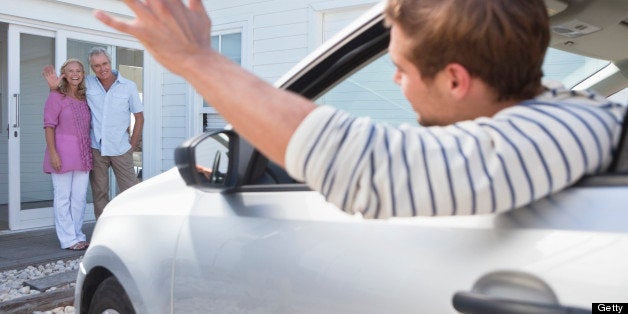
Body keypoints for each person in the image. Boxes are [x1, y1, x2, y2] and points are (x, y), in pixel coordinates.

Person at [95, 0, 625, 218]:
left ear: (456, 79)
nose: (394, 82)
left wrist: (196, 59)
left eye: (400, 68)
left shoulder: (562, 131)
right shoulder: (564, 110)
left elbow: (370, 168)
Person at [43, 48, 144, 219]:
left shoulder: (128, 86)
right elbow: (67, 95)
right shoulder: (87, 83)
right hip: (96, 149)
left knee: (131, 191)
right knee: (99, 194)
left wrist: (132, 146)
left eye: (104, 64)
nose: (102, 69)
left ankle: (132, 229)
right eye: (96, 66)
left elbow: (139, 118)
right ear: (91, 68)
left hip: (121, 148)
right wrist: (54, 88)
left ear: (110, 63)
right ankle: (104, 232)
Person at [43, 59, 91, 250]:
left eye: (78, 70)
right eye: (70, 70)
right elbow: (48, 126)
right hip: (61, 153)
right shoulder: (56, 97)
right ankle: (68, 239)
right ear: (64, 74)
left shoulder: (85, 98)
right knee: (63, 197)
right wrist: (53, 153)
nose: (75, 74)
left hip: (82, 153)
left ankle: (78, 235)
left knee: (79, 197)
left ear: (83, 74)